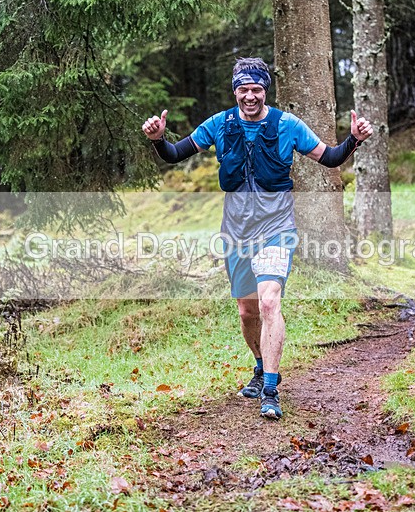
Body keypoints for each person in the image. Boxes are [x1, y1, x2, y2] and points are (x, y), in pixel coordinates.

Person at [141, 57, 373, 419]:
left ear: (266, 91)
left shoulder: (287, 125)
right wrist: (158, 140)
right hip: (236, 232)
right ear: (235, 91)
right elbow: (174, 154)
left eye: (257, 90)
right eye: (243, 90)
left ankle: (270, 388)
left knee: (268, 303)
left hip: (276, 229)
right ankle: (260, 363)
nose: (250, 96)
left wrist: (353, 140)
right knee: (247, 310)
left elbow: (329, 158)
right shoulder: (219, 124)